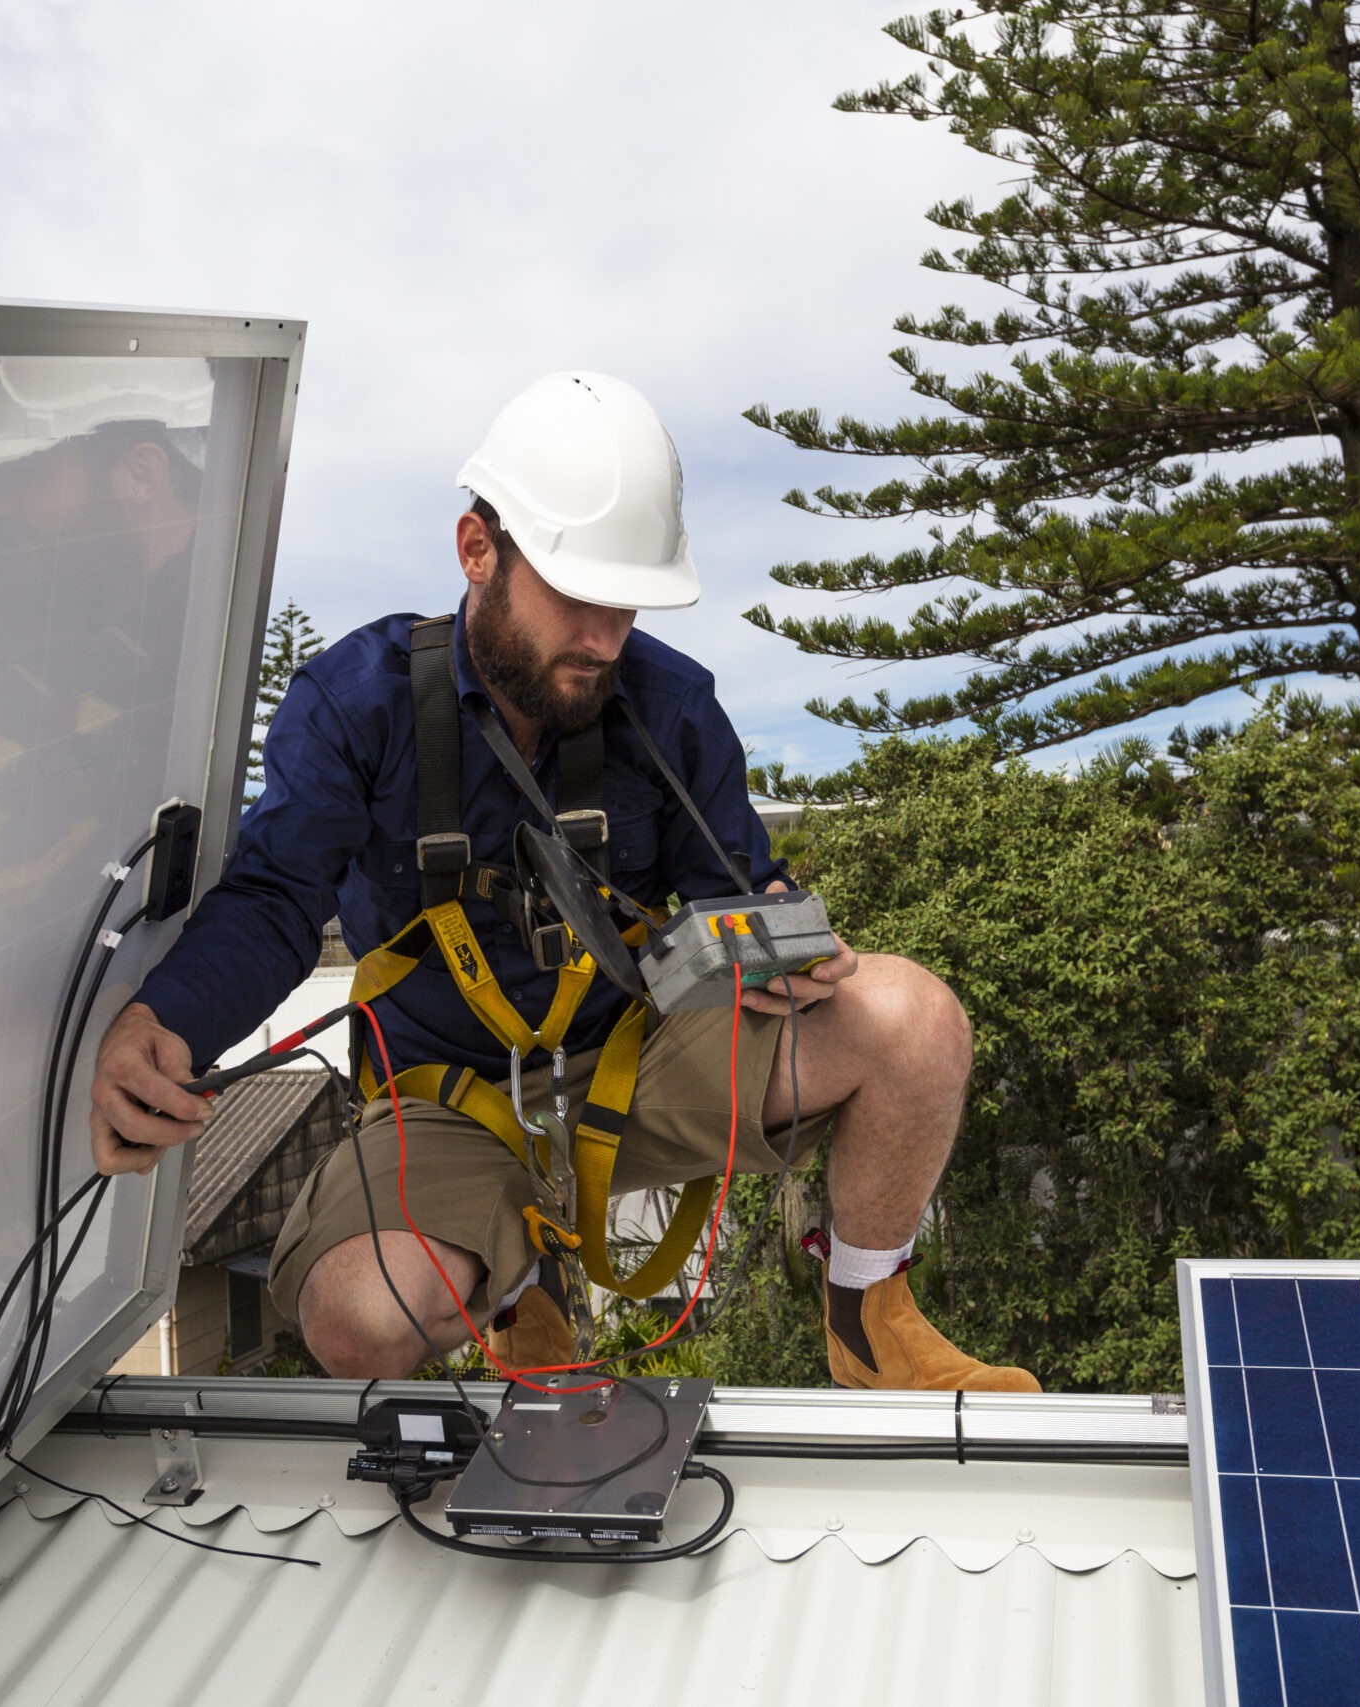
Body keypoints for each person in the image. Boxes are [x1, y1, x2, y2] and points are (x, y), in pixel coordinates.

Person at [84, 372, 1038, 1392]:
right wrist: (168, 1022)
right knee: (360, 1317)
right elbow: (276, 902)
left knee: (913, 1021)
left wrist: (776, 944)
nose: (604, 638)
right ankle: (514, 1291)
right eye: (577, 597)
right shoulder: (357, 707)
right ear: (477, 550)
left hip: (636, 1064)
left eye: (624, 604)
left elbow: (733, 888)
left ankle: (867, 1318)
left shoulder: (668, 709)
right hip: (445, 1103)